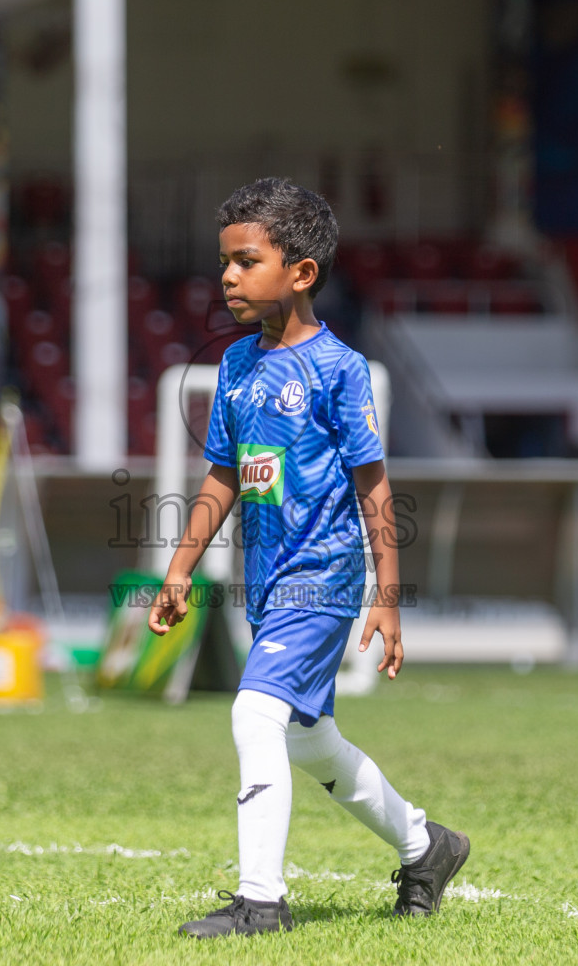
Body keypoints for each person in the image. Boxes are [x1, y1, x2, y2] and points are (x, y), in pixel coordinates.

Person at [147, 178, 469, 938]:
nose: (227, 276)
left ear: (301, 273)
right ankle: (427, 847)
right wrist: (180, 568)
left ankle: (262, 902)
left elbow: (375, 488)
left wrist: (385, 596)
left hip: (321, 581)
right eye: (223, 262)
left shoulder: (339, 370)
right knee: (309, 739)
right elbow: (222, 476)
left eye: (246, 261)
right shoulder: (234, 367)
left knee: (253, 715)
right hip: (264, 585)